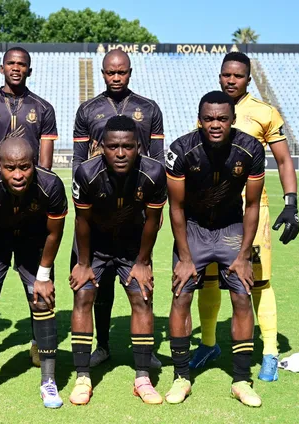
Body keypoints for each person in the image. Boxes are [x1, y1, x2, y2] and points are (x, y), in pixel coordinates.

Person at [191, 52, 299, 382]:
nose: (231, 80)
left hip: (252, 209)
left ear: (248, 79)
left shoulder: (264, 113)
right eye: (226, 75)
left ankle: (269, 352)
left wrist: (291, 203)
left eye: (238, 76)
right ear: (219, 76)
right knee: (209, 279)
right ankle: (208, 344)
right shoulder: (210, 110)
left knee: (258, 281)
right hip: (213, 211)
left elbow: (283, 161)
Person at [165, 91, 265, 407]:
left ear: (233, 120)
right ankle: (181, 377)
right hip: (193, 228)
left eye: (222, 118)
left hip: (231, 228)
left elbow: (252, 205)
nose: (215, 124)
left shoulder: (251, 149)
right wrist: (184, 257)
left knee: (242, 295)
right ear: (200, 120)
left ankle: (241, 380)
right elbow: (176, 207)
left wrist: (245, 255)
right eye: (208, 119)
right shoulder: (180, 150)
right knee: (181, 294)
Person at [72, 48, 166, 368]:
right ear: (103, 73)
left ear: (130, 72)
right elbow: (79, 160)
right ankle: (102, 346)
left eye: (121, 72)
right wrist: (86, 197)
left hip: (136, 209)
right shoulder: (87, 110)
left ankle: (146, 351)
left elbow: (157, 159)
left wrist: (156, 208)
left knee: (142, 281)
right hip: (98, 205)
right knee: (99, 288)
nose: (116, 77)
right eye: (110, 72)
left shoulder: (149, 108)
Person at [0, 46, 58, 364]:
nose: (16, 68)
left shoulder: (43, 108)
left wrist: (28, 194)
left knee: (39, 284)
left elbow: (45, 164)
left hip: (32, 214)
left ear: (29, 70)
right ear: (1, 67)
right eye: (11, 63)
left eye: (22, 64)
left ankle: (37, 341)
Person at [69, 115, 166, 406]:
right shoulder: (86, 172)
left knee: (142, 297)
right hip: (94, 245)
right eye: (113, 147)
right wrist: (83, 264)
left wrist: (143, 262)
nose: (120, 153)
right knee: (84, 295)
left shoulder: (154, 172)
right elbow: (82, 221)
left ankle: (142, 377)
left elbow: (153, 221)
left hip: (132, 247)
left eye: (128, 146)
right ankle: (83, 377)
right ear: (101, 147)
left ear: (139, 147)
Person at [0, 137, 67, 408]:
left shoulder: (51, 185)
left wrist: (43, 277)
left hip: (34, 240)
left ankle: (48, 382)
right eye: (10, 168)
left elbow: (54, 233)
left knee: (43, 300)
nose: (18, 175)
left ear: (35, 164)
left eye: (25, 167)